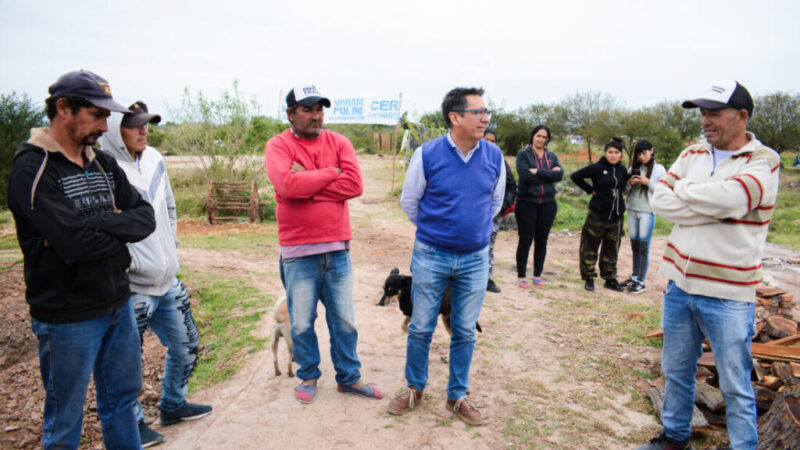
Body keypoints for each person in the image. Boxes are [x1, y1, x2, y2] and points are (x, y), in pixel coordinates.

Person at [6, 70, 156, 449]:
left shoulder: (103, 164)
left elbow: (146, 218)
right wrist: (117, 232)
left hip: (117, 305)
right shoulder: (33, 167)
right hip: (67, 317)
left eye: (108, 116)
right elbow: (74, 244)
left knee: (122, 402)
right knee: (65, 421)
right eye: (97, 115)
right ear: (63, 108)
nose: (106, 126)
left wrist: (97, 226)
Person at [638, 81, 779, 450]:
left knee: (735, 384)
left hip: (728, 295)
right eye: (702, 113)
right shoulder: (692, 154)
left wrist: (684, 194)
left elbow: (736, 197)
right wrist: (713, 210)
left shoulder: (764, 160)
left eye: (713, 112)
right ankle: (674, 436)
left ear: (741, 116)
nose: (705, 121)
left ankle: (743, 446)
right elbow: (659, 202)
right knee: (677, 370)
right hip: (679, 288)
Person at [98, 101, 212, 447]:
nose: (143, 130)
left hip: (167, 279)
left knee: (187, 344)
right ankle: (133, 424)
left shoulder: (155, 159)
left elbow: (171, 208)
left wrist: (170, 248)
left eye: (147, 124)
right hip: (132, 286)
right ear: (117, 129)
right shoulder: (104, 167)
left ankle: (173, 404)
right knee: (127, 361)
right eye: (134, 125)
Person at [390, 87, 505, 426]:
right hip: (431, 255)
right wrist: (438, 232)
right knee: (422, 326)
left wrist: (472, 232)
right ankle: (414, 388)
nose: (485, 118)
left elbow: (494, 204)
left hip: (474, 259)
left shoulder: (494, 156)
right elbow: (410, 203)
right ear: (455, 117)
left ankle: (457, 396)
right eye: (478, 112)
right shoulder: (427, 154)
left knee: (465, 330)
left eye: (487, 112)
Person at [264, 84, 382, 404]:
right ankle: (309, 375)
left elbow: (355, 184)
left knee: (343, 320)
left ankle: (349, 377)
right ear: (290, 114)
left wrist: (310, 181)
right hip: (298, 252)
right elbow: (286, 185)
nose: (316, 116)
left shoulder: (339, 141)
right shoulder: (278, 146)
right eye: (307, 109)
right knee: (302, 321)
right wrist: (331, 173)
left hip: (337, 249)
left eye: (319, 109)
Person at [571, 137, 628, 292]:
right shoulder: (597, 167)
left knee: (612, 249)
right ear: (605, 153)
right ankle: (589, 277)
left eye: (616, 152)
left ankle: (610, 278)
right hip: (597, 214)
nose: (613, 155)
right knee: (590, 246)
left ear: (621, 155)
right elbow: (575, 176)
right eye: (610, 152)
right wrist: (590, 190)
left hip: (616, 216)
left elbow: (625, 186)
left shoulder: (623, 170)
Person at [514, 125, 563, 288]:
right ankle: (521, 275)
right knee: (525, 239)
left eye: (544, 137)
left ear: (547, 139)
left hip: (548, 203)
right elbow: (526, 176)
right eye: (538, 135)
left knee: (542, 240)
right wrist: (549, 173)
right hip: (527, 202)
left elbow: (560, 175)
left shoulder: (551, 155)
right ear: (533, 136)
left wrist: (539, 171)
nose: (541, 139)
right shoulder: (523, 155)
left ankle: (537, 274)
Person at [621, 140, 666, 294]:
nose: (641, 157)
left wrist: (648, 182)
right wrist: (630, 183)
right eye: (639, 154)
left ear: (651, 150)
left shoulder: (659, 169)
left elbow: (663, 190)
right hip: (632, 209)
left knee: (643, 246)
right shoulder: (633, 168)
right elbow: (625, 192)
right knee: (634, 246)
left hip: (647, 211)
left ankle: (641, 281)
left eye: (644, 153)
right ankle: (634, 277)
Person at [483, 129, 517, 293]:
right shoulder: (472, 159)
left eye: (493, 141)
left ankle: (487, 279)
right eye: (486, 140)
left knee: (488, 246)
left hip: (494, 214)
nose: (489, 143)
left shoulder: (501, 162)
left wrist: (502, 207)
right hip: (473, 213)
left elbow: (512, 186)